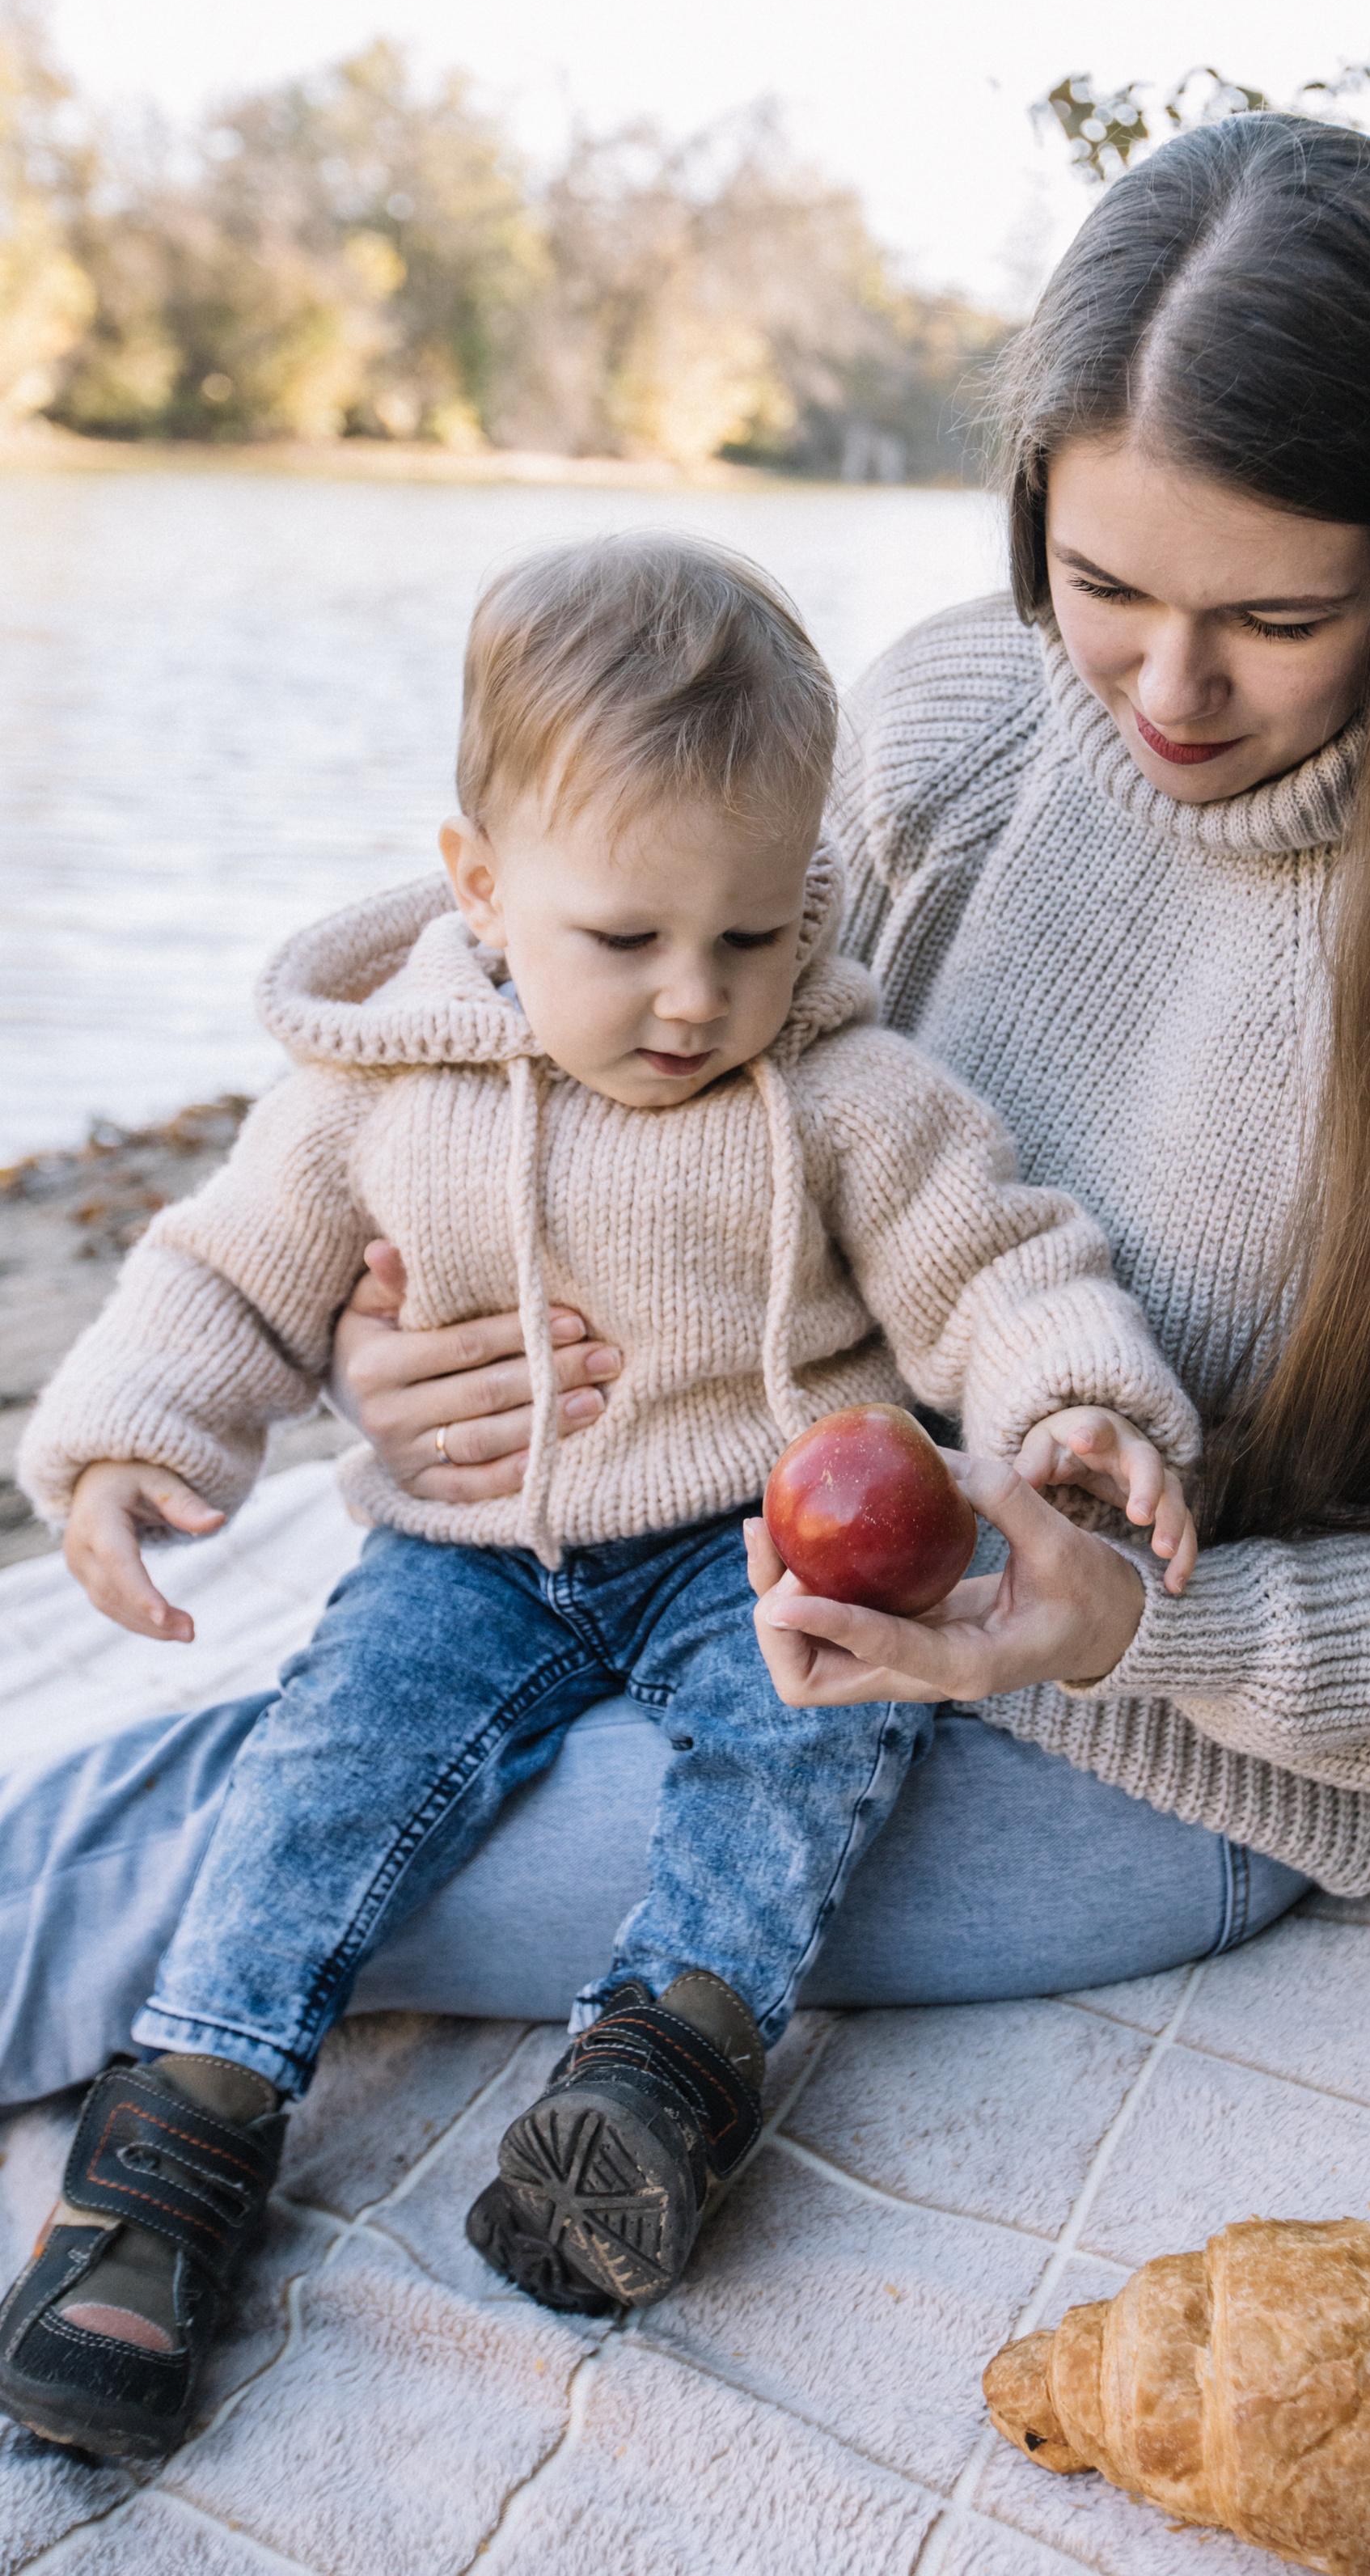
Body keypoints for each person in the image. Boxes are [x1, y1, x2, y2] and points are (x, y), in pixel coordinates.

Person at [0, 114, 1370, 2193]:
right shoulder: (957, 718)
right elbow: (603, 1002)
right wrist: (394, 1349)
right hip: (711, 1566)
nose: (1164, 685)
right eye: (1100, 581)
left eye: (1277, 620)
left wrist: (1127, 1623)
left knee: (187, 1862)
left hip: (1134, 1757)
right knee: (305, 1768)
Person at [0, 533, 1196, 2460]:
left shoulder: (844, 1092)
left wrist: (1071, 1400)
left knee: (808, 1738)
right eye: (624, 941)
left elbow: (999, 1260)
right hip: (471, 1557)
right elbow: (229, 1266)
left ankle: (661, 2069)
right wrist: (134, 1440)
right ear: (481, 883)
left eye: (747, 936)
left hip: (748, 1539)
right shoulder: (378, 1084)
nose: (690, 997)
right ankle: (179, 2135)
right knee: (322, 1772)